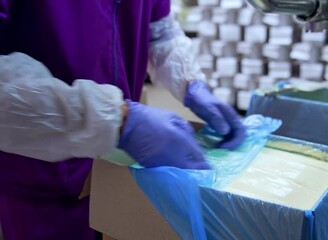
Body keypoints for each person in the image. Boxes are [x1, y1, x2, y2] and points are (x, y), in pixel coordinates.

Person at [0, 1, 246, 239]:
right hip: (41, 175)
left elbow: (160, 31)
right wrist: (116, 119)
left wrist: (190, 83)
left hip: (122, 165)